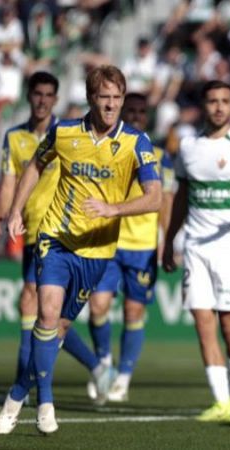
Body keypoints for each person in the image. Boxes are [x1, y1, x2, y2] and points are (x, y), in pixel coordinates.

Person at [0, 65, 163, 435]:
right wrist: (17, 210)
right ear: (91, 98)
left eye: (117, 98)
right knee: (47, 313)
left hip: (98, 252)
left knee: (60, 329)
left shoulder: (137, 142)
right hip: (55, 238)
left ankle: (18, 392)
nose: (112, 105)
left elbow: (154, 198)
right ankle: (47, 402)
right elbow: (37, 166)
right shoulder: (65, 131)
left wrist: (114, 209)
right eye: (105, 98)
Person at [163, 80, 230, 422]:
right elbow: (181, 197)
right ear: (204, 105)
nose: (219, 107)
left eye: (225, 101)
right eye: (213, 101)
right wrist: (169, 241)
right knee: (202, 322)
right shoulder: (188, 146)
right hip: (195, 246)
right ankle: (222, 401)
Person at [84, 92, 176, 402]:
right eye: (131, 111)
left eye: (141, 111)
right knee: (98, 306)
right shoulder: (109, 148)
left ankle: (123, 378)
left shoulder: (161, 156)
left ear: (147, 116)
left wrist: (168, 241)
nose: (135, 116)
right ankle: (103, 365)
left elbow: (166, 202)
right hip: (107, 239)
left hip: (143, 246)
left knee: (133, 311)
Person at [0, 71, 61, 400]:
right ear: (29, 96)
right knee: (41, 307)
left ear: (55, 99)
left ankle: (24, 384)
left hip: (59, 228)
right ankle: (95, 366)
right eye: (38, 94)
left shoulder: (65, 134)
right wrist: (2, 212)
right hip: (29, 227)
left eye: (49, 94)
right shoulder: (14, 137)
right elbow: (9, 181)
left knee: (32, 298)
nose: (43, 100)